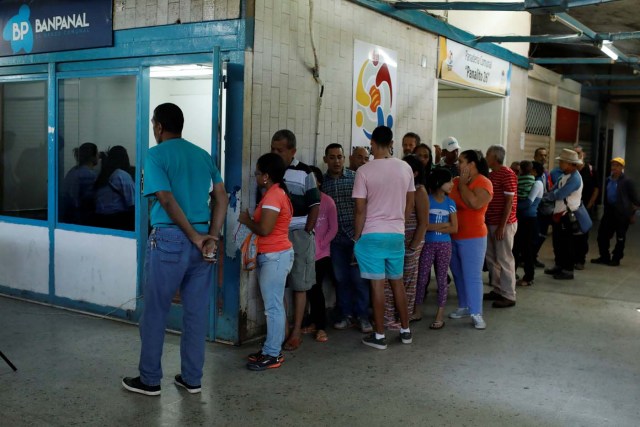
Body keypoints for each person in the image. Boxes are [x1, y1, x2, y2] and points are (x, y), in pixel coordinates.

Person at [122, 103, 227, 396]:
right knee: (196, 313)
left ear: (158, 127)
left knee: (155, 311)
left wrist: (193, 235)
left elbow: (166, 200)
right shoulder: (202, 155)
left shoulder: (155, 155)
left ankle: (150, 380)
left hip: (170, 239)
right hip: (203, 239)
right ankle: (192, 379)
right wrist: (211, 237)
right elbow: (221, 195)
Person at [353, 126, 415, 349]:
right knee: (397, 283)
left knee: (377, 286)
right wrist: (400, 222)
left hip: (372, 235)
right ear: (391, 142)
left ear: (372, 143)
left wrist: (356, 238)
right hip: (396, 234)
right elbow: (410, 203)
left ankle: (379, 336)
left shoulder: (364, 171)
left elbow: (360, 210)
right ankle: (406, 331)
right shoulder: (405, 168)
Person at [239, 153, 294, 370]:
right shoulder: (275, 193)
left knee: (273, 307)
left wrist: (246, 220)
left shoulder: (273, 196)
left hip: (275, 256)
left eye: (257, 173)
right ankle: (270, 349)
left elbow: (265, 229)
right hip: (274, 255)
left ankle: (273, 354)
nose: (255, 177)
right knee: (274, 304)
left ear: (266, 175)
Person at [270, 130, 320, 351]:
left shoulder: (304, 172)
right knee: (279, 284)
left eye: (279, 150)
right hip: (276, 235)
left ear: (292, 151)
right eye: (273, 149)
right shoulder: (270, 171)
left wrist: (307, 230)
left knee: (300, 284)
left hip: (299, 234)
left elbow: (314, 205)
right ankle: (282, 329)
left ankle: (296, 331)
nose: (275, 153)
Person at [323, 143, 373, 333]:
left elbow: (365, 207)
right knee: (340, 279)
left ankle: (363, 317)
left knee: (359, 280)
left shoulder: (355, 178)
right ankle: (345, 315)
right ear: (325, 159)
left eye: (339, 157)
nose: (336, 161)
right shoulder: (323, 183)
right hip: (335, 241)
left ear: (345, 159)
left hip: (356, 238)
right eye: (332, 157)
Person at [448, 149, 493, 330]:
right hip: (452, 235)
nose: (458, 164)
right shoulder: (456, 181)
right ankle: (464, 306)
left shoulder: (484, 182)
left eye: (461, 161)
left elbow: (474, 203)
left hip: (473, 237)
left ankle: (476, 312)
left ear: (472, 164)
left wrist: (462, 186)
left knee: (472, 276)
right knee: (458, 274)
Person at [383, 155, 428, 329]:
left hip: (411, 244)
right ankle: (388, 318)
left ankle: (404, 319)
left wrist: (412, 247)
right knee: (388, 281)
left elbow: (423, 222)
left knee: (407, 282)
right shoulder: (397, 188)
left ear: (415, 173)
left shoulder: (419, 190)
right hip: (394, 242)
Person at [415, 168, 457, 329]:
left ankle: (440, 314)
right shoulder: (427, 200)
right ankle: (416, 310)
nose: (452, 184)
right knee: (422, 278)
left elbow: (455, 228)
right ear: (439, 182)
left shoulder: (450, 202)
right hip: (427, 245)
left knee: (442, 279)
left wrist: (432, 226)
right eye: (449, 181)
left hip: (444, 245)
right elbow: (423, 225)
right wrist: (444, 224)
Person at [302, 166, 338, 343]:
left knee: (316, 290)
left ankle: (322, 326)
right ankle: (313, 322)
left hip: (322, 254)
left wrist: (321, 244)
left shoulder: (328, 201)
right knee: (306, 289)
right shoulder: (303, 200)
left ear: (319, 182)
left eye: (312, 179)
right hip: (305, 253)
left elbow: (333, 228)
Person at [484, 145, 518, 308]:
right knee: (492, 258)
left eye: (487, 155)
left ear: (495, 157)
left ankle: (509, 294)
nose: (485, 157)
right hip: (491, 222)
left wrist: (501, 226)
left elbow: (509, 202)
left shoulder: (507, 174)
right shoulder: (491, 175)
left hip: (503, 224)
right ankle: (498, 289)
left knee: (504, 258)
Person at [543, 149, 583, 280]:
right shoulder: (564, 175)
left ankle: (568, 269)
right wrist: (550, 195)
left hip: (567, 214)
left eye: (562, 162)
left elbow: (559, 194)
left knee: (567, 244)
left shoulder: (575, 178)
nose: (560, 163)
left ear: (571, 164)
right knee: (558, 242)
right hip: (559, 213)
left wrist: (546, 197)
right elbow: (554, 189)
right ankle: (559, 265)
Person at [592, 157, 640, 267]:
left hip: (622, 214)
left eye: (617, 166)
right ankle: (604, 256)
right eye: (613, 165)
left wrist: (632, 213)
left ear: (622, 167)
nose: (614, 168)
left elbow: (635, 199)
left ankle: (616, 258)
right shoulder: (608, 179)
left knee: (620, 237)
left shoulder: (627, 181)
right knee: (602, 235)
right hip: (609, 211)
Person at [513, 161, 544, 287]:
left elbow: (528, 203)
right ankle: (511, 274)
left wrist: (512, 206)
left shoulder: (537, 183)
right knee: (515, 249)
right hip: (521, 218)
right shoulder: (527, 181)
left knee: (527, 250)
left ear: (535, 171)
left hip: (529, 220)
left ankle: (528, 276)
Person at [93, 145, 136, 231]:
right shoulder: (121, 175)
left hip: (99, 219)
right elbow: (132, 203)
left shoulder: (102, 174)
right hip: (117, 220)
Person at [574, 147, 599, 270]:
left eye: (578, 153)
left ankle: (580, 259)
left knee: (583, 233)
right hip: (572, 207)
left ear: (583, 154)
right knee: (571, 233)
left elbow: (596, 188)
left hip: (585, 207)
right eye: (574, 153)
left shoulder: (590, 170)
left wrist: (590, 204)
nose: (577, 155)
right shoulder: (570, 169)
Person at [60, 142, 98, 225]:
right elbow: (94, 197)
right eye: (97, 154)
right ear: (92, 157)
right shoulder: (89, 175)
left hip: (67, 214)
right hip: (79, 217)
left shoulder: (73, 170)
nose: (98, 157)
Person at [533, 147, 552, 268]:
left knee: (542, 234)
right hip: (535, 207)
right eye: (541, 155)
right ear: (535, 156)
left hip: (544, 206)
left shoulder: (546, 172)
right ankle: (529, 257)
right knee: (535, 233)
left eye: (545, 155)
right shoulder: (532, 171)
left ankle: (533, 255)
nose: (543, 158)